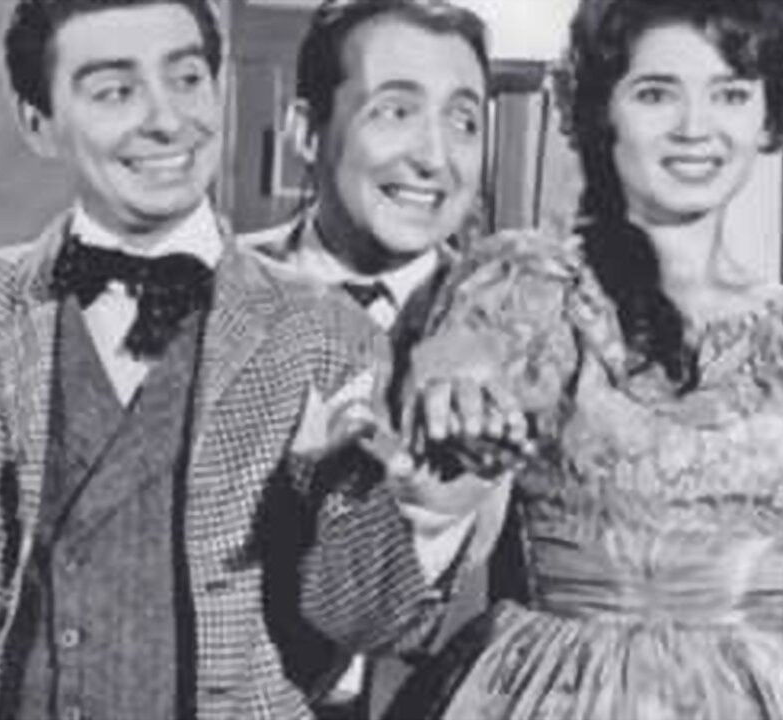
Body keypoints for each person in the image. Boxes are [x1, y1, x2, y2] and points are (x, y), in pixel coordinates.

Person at [0, 0, 487, 718]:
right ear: (39, 122)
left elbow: (364, 620)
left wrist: (431, 512)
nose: (167, 119)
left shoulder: (330, 337)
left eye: (187, 78)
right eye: (115, 90)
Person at [383, 0, 783, 718]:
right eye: (657, 93)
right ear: (603, 112)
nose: (696, 127)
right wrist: (451, 405)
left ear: (768, 119)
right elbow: (457, 390)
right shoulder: (527, 286)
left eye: (730, 94)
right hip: (555, 695)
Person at [240, 0, 525, 716]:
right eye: (395, 111)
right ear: (307, 131)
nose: (434, 156)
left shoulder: (522, 325)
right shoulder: (208, 300)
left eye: (464, 122)